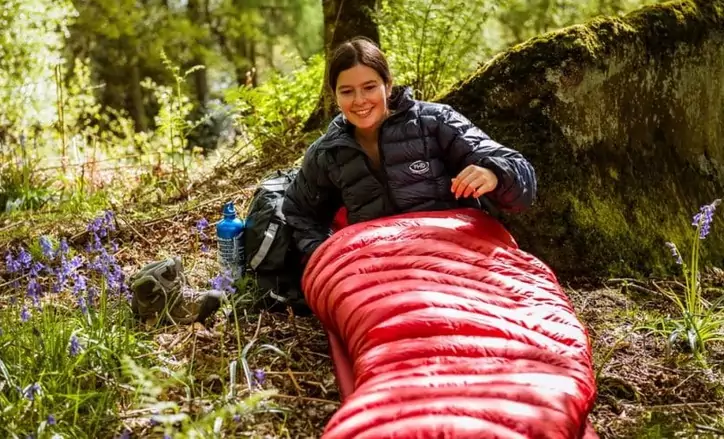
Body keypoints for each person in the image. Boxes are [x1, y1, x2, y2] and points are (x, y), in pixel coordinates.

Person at [282, 37, 537, 264]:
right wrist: (327, 255)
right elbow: (299, 212)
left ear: (388, 85)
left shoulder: (435, 121)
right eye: (347, 91)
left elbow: (521, 175)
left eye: (369, 87)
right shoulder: (327, 152)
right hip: (383, 266)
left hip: (454, 253)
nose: (359, 100)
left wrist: (494, 174)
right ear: (334, 96)